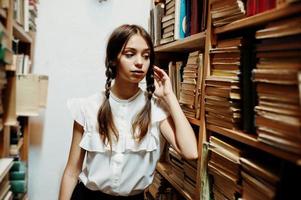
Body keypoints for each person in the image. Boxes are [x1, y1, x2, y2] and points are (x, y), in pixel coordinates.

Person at [59, 24, 198, 200]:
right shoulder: (88, 107)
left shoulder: (156, 108)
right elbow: (72, 172)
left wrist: (169, 96)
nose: (140, 62)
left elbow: (191, 152)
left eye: (146, 56)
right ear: (113, 59)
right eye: (130, 54)